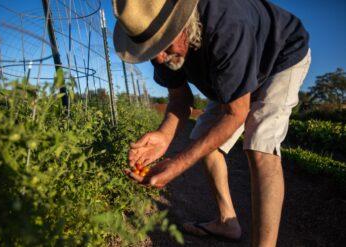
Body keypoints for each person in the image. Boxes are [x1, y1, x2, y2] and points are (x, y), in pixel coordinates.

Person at [112, 0, 311, 246]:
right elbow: (180, 99)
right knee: (203, 136)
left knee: (260, 144)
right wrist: (164, 134)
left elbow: (235, 113)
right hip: (233, 72)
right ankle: (227, 222)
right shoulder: (160, 49)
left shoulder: (227, 24)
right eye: (153, 50)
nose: (161, 58)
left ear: (183, 24)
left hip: (279, 56)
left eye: (164, 45)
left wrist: (178, 164)